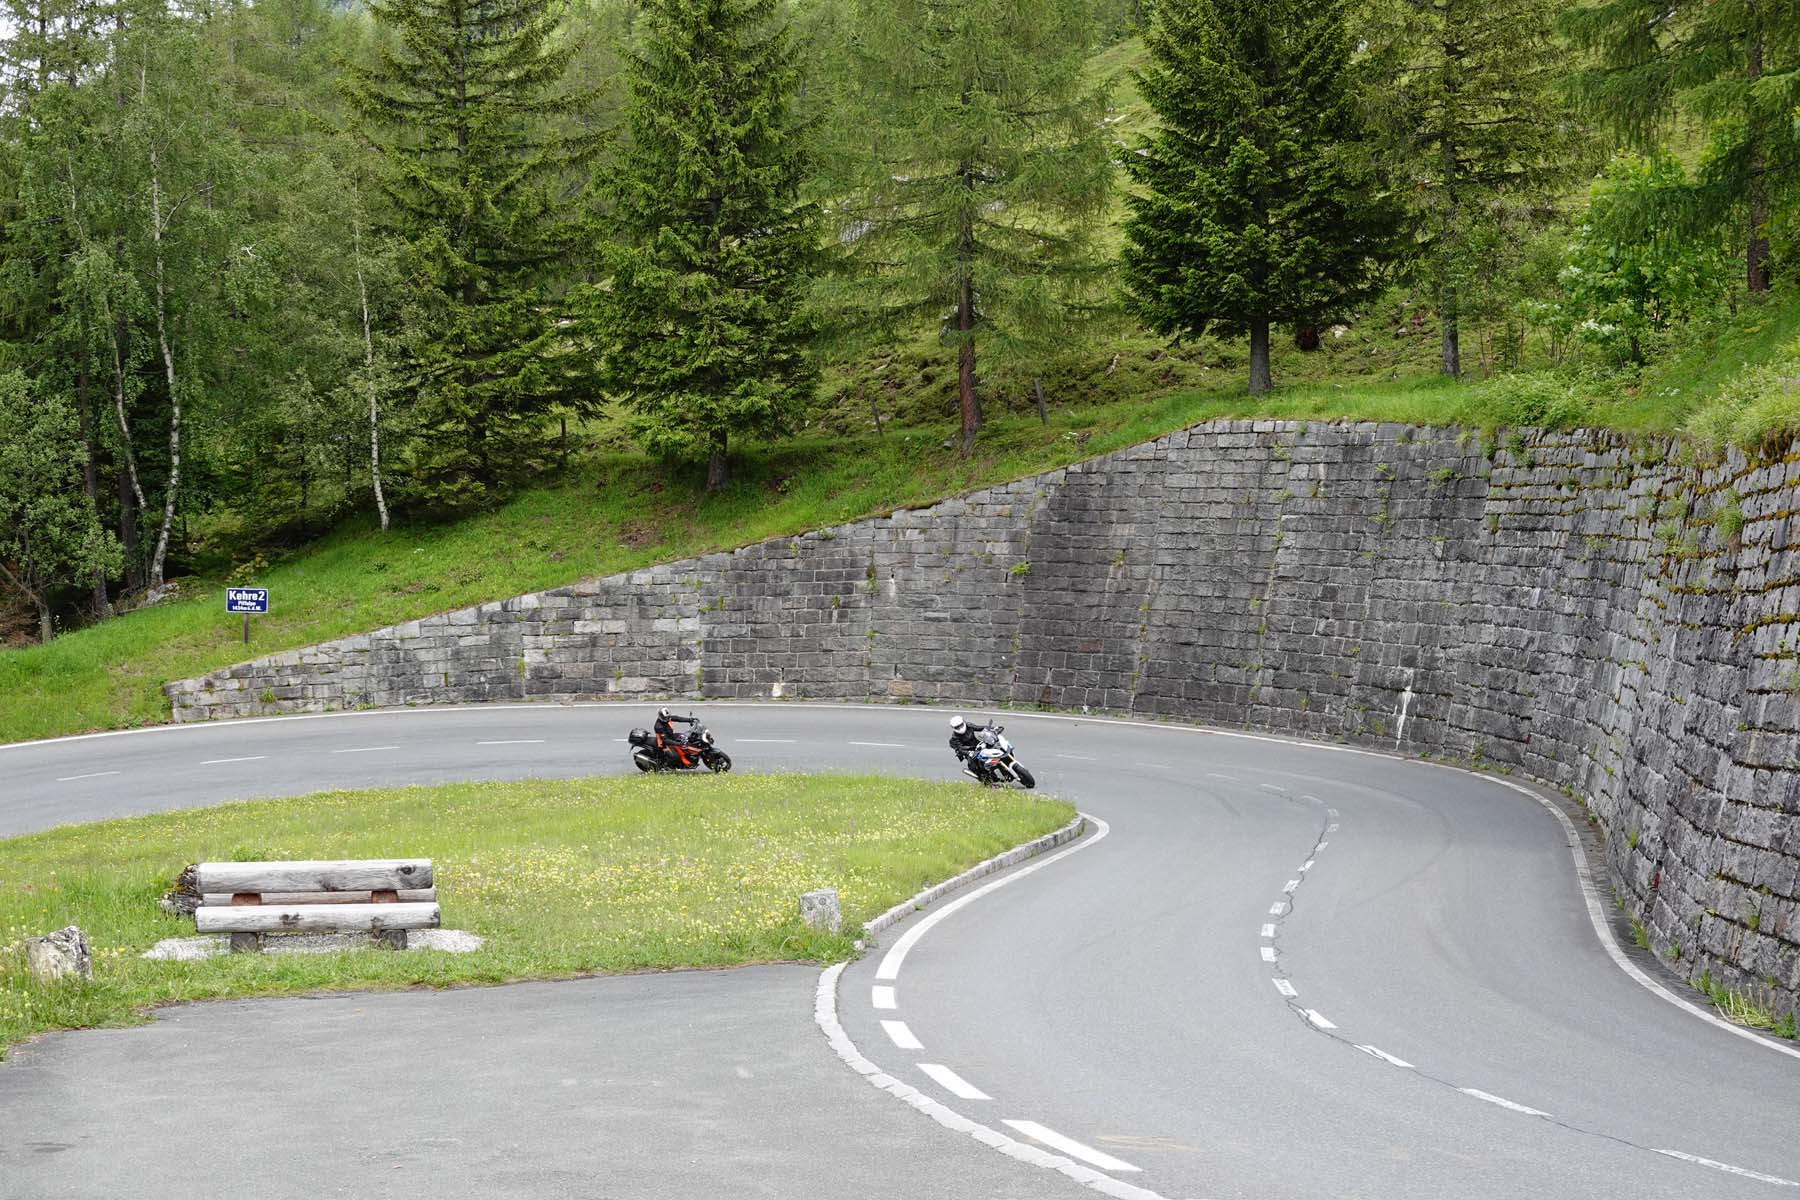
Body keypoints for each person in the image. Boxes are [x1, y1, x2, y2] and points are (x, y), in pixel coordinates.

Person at [948, 715, 1001, 781]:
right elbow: (959, 749)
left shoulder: (969, 725)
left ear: (963, 722)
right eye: (957, 727)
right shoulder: (955, 738)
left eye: (961, 725)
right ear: (954, 728)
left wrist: (993, 728)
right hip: (969, 751)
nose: (960, 728)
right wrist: (969, 753)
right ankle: (984, 779)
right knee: (974, 765)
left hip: (978, 745)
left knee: (993, 747)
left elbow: (980, 728)